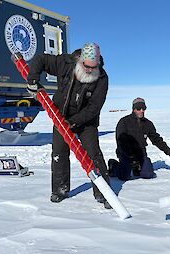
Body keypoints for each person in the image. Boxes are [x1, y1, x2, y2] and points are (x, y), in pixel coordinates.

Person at [26, 43, 111, 209]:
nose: (89, 70)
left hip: (87, 121)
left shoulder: (102, 78)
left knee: (93, 154)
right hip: (61, 116)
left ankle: (103, 192)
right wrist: (33, 79)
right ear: (80, 60)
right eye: (86, 66)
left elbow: (94, 107)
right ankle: (60, 189)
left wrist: (74, 122)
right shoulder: (64, 63)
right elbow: (40, 59)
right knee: (59, 153)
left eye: (93, 67)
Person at [108, 97, 170, 181]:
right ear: (134, 109)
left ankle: (137, 168)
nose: (141, 110)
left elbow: (157, 141)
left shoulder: (148, 124)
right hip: (125, 154)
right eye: (139, 108)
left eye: (144, 108)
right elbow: (120, 142)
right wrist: (129, 156)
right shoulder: (124, 122)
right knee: (124, 176)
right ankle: (113, 165)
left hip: (140, 155)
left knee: (148, 174)